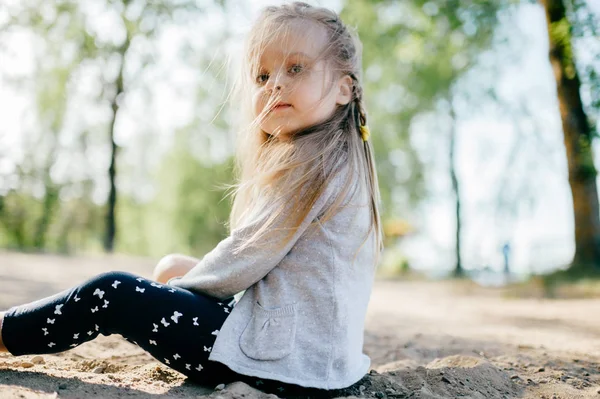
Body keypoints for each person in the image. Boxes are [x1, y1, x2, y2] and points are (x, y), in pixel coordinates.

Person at [0, 1, 383, 396]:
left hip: (286, 364)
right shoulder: (340, 159)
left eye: (296, 68)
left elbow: (243, 259)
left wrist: (175, 294)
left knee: (112, 292)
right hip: (317, 357)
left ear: (344, 87)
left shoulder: (312, 167)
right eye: (262, 75)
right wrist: (176, 285)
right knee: (170, 269)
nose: (274, 85)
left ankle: (3, 331)